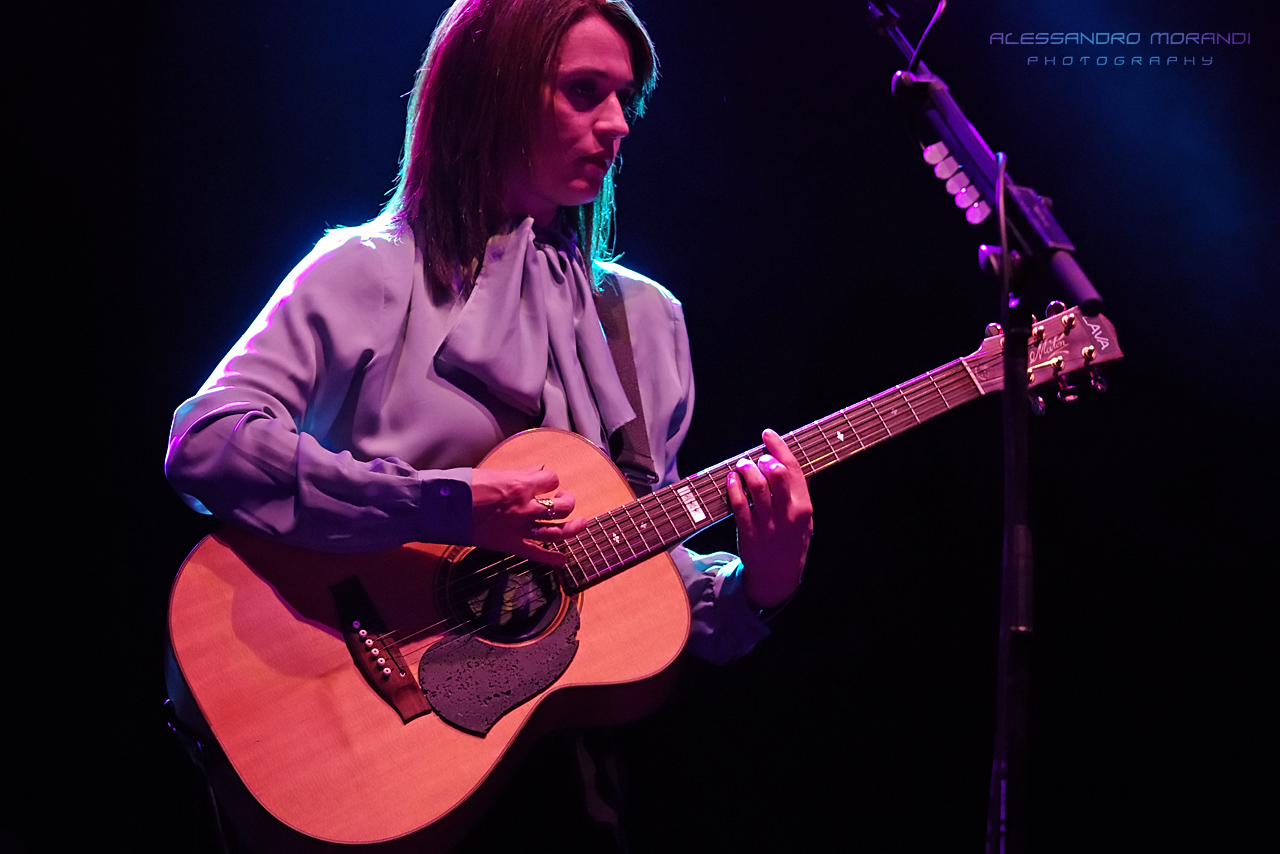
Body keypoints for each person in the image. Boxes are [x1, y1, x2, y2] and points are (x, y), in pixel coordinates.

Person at [165, 0, 812, 849]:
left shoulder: (646, 323)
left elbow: (646, 581)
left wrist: (758, 584)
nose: (618, 124)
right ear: (494, 87)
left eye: (625, 99)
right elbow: (207, 442)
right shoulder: (366, 271)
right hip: (373, 757)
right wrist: (446, 505)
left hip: (566, 788)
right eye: (583, 91)